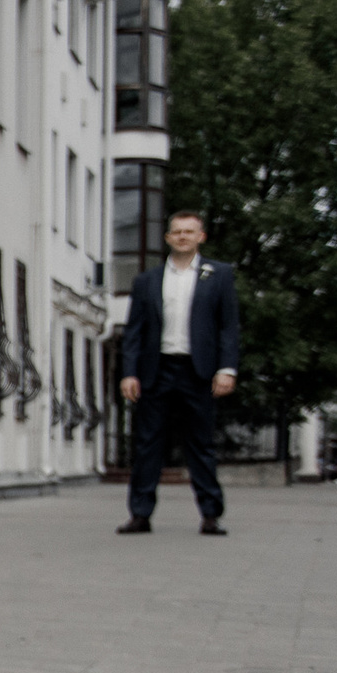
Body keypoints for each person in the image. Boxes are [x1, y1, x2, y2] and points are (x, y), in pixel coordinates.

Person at [118, 209, 241, 535]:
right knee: (147, 445)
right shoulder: (147, 281)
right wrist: (129, 372)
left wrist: (226, 368)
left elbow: (228, 326)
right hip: (156, 370)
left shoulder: (220, 275)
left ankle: (211, 515)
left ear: (201, 237)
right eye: (177, 232)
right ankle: (140, 515)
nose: (183, 236)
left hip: (197, 371)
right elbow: (134, 331)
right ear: (168, 237)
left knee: (201, 445)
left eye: (189, 231)